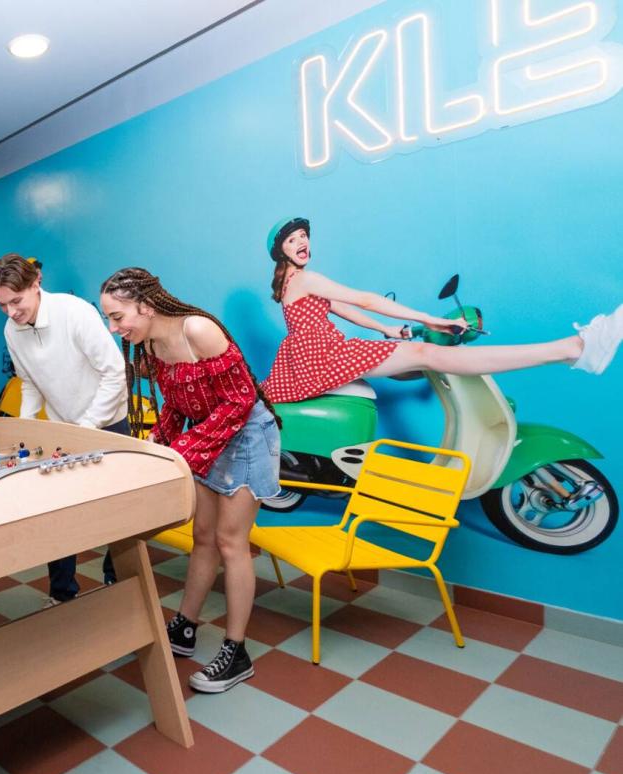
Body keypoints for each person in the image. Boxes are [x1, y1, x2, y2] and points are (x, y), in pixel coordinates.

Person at [100, 267, 279, 694]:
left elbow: (240, 400)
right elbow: (178, 405)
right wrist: (157, 443)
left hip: (247, 434)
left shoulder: (197, 329)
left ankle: (237, 652)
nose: (114, 328)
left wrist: (183, 450)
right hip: (210, 436)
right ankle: (185, 625)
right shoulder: (150, 344)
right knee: (203, 536)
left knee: (231, 542)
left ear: (146, 305)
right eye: (109, 319)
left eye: (118, 316)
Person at [260, 217, 623, 404]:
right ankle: (572, 349)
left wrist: (387, 330)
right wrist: (428, 318)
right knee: (426, 355)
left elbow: (341, 309)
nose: (302, 241)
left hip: (314, 356)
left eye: (303, 235)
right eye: (292, 239)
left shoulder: (295, 283)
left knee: (420, 360)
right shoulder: (306, 279)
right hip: (320, 357)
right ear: (282, 252)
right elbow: (365, 300)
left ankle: (571, 351)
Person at [0, 254, 128, 606]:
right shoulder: (12, 330)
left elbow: (114, 372)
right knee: (57, 510)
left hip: (108, 422)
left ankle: (117, 577)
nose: (10, 312)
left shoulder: (74, 312)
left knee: (118, 509)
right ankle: (62, 593)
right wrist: (28, 427)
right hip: (64, 426)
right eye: (2, 305)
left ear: (36, 284)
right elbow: (29, 381)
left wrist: (87, 426)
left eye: (16, 301)